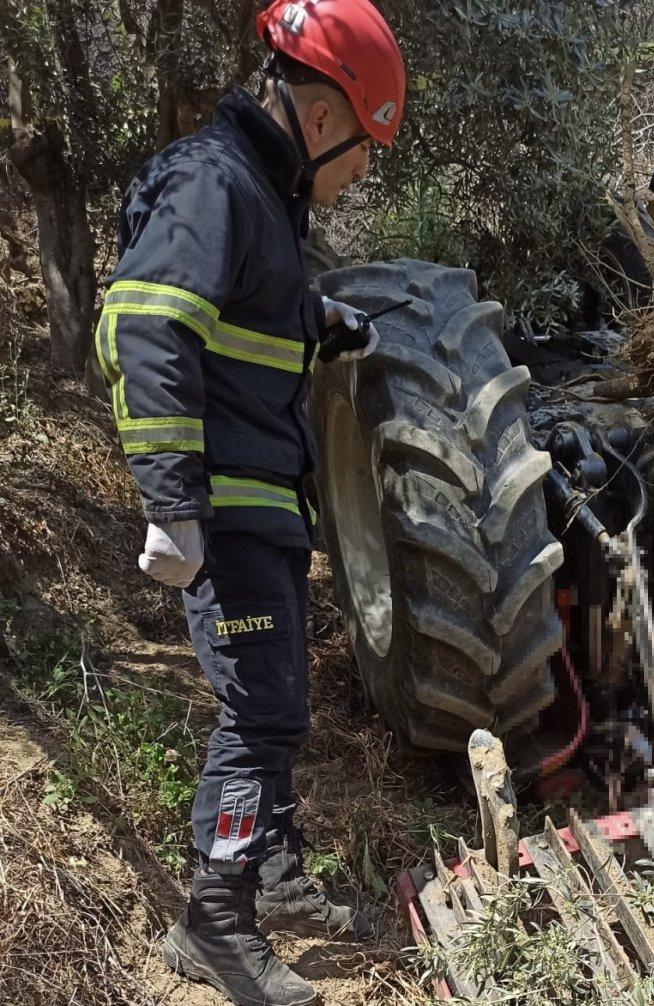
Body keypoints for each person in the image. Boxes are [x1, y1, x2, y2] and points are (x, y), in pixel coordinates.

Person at [93, 2, 405, 1003]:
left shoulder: (258, 197)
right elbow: (145, 325)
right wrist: (173, 504)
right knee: (258, 709)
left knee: (276, 708)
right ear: (322, 122)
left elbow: (250, 306)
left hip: (259, 508)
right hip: (221, 515)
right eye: (365, 151)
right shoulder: (213, 183)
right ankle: (214, 920)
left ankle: (269, 871)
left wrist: (323, 319)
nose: (363, 172)